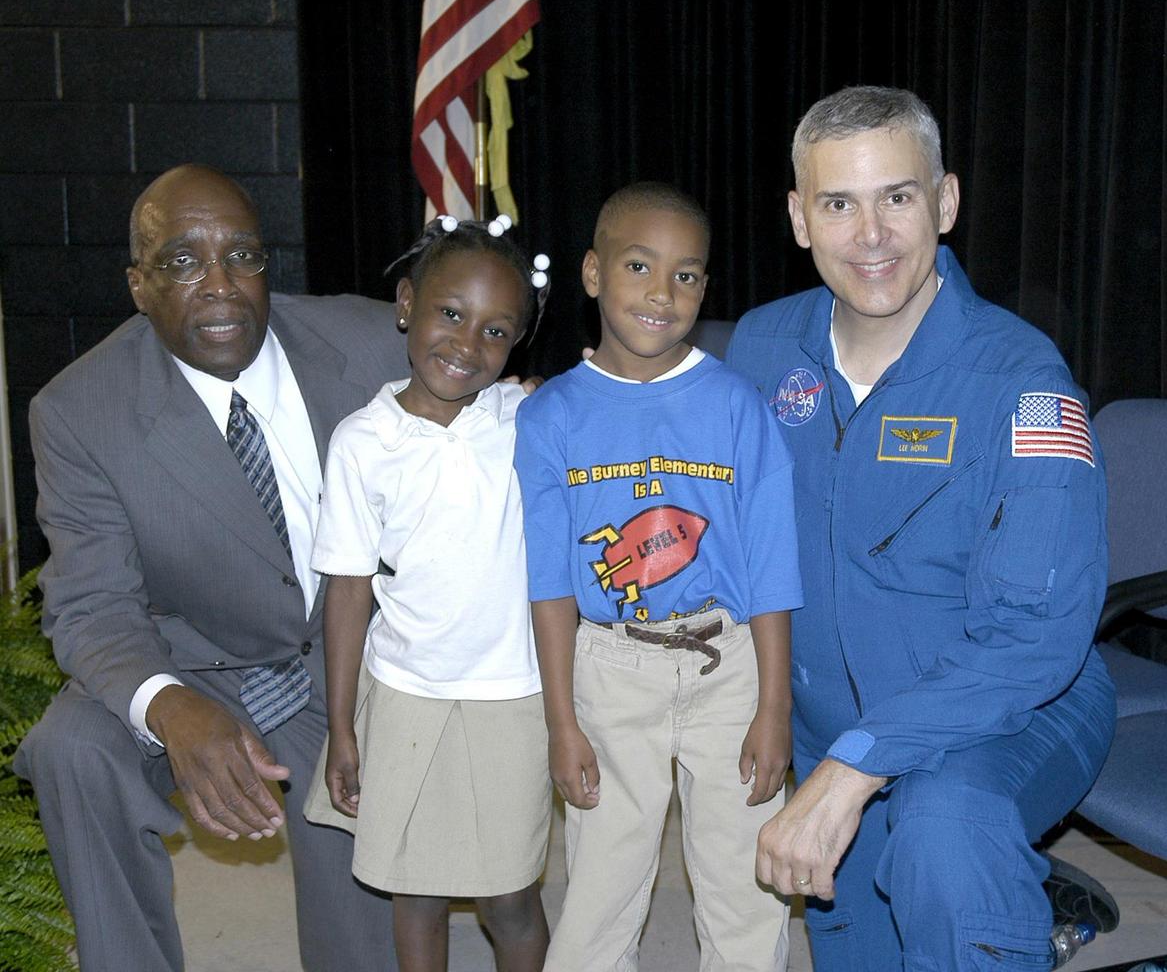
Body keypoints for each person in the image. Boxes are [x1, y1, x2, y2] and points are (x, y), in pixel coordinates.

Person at [728, 87, 1117, 971]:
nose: (871, 236)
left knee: (944, 830)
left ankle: (990, 883)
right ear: (800, 218)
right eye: (839, 204)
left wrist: (855, 767)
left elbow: (1035, 637)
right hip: (840, 724)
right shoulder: (760, 348)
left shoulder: (1023, 383)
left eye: (897, 197)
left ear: (944, 201)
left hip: (1016, 708)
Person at [15, 164, 404, 971]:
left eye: (243, 257)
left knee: (360, 920)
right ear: (138, 284)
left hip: (346, 656)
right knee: (73, 749)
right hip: (195, 660)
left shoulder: (371, 345)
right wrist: (169, 708)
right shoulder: (80, 411)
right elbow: (90, 607)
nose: (222, 285)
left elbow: (492, 367)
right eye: (184, 262)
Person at [514, 182, 803, 972]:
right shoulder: (549, 417)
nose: (662, 292)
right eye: (639, 265)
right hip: (609, 670)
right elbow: (549, 583)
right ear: (593, 273)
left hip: (730, 662)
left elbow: (772, 568)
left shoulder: (740, 407)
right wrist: (560, 720)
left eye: (687, 274)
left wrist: (774, 708)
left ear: (706, 289)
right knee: (601, 893)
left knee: (747, 892)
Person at [301, 215, 553, 972]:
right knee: (415, 894)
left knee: (510, 896)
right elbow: (347, 593)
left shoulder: (524, 420)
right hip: (406, 691)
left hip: (513, 697)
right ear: (407, 303)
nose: (467, 344)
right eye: (450, 314)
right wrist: (343, 725)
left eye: (495, 331)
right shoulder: (362, 443)